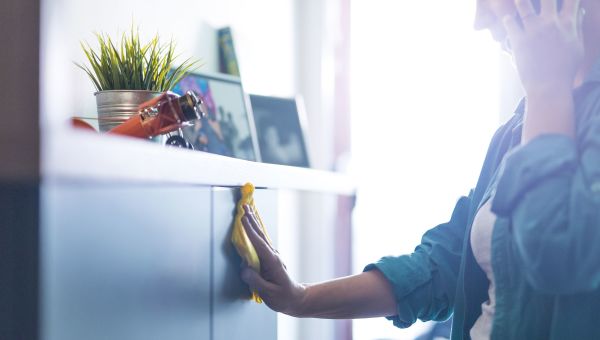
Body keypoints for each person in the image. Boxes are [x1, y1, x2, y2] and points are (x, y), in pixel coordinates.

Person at [239, 0, 600, 338]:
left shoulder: (548, 104)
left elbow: (556, 257)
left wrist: (547, 90)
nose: (480, 21)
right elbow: (442, 266)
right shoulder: (519, 126)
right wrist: (299, 298)